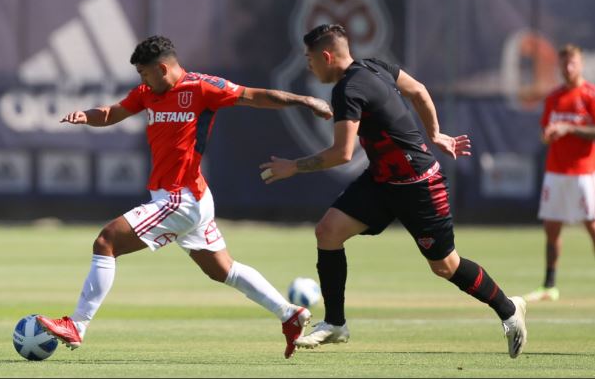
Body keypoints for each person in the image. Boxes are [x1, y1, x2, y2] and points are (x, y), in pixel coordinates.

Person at [36, 35, 333, 359]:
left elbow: (255, 96)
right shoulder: (148, 93)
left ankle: (77, 325)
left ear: (163, 68)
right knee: (222, 270)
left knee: (106, 241)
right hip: (193, 199)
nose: (142, 81)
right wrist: (86, 115)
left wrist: (305, 100)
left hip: (181, 198)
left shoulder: (202, 88)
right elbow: (110, 113)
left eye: (145, 73)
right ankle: (289, 313)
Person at [259, 24, 528, 358]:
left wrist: (293, 167)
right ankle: (336, 324)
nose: (308, 65)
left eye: (310, 59)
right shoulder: (375, 65)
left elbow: (342, 153)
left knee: (445, 266)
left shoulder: (347, 89)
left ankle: (509, 308)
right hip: (383, 181)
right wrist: (436, 133)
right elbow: (418, 90)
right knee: (328, 232)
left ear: (326, 56)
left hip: (419, 184)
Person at [524, 43, 595, 303]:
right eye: (564, 63)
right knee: (552, 228)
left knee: (592, 226)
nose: (568, 67)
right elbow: (545, 132)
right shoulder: (553, 97)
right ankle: (549, 285)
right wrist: (550, 134)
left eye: (572, 62)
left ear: (580, 64)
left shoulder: (589, 94)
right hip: (555, 171)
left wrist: (568, 128)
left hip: (583, 172)